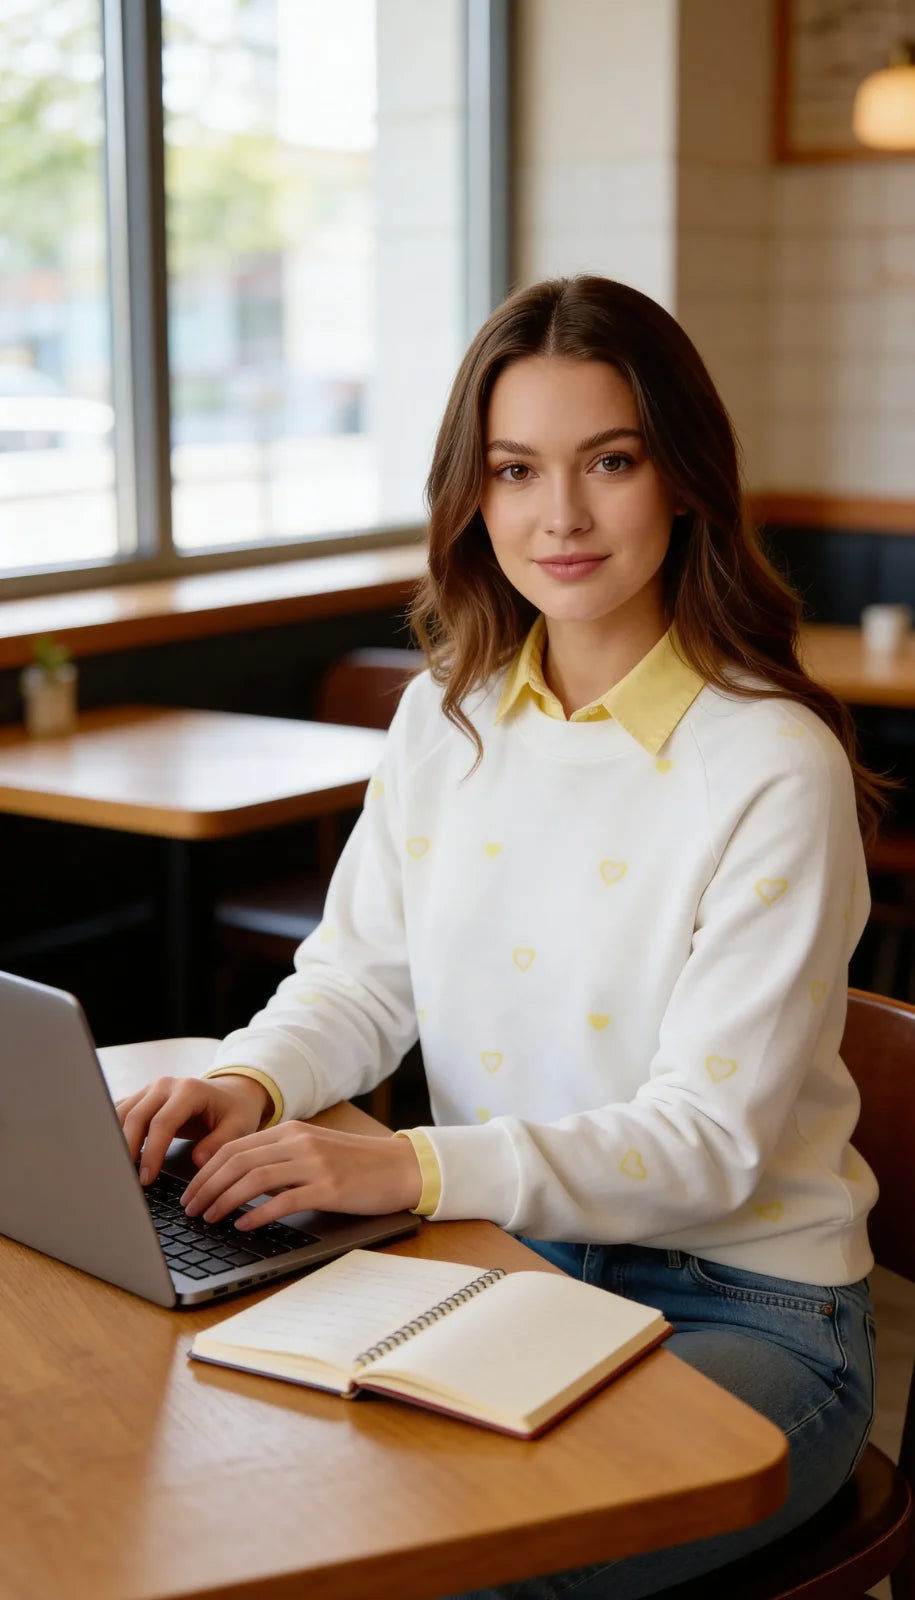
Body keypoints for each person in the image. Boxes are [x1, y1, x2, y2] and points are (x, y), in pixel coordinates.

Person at [117, 276, 886, 1600]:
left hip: (745, 1311)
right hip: (505, 1268)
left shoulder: (771, 763)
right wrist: (252, 1078)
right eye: (517, 469)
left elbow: (705, 1146)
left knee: (450, 1570)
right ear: (474, 494)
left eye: (612, 462)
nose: (562, 516)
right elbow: (359, 977)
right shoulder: (446, 716)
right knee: (252, 1495)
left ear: (686, 477)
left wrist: (403, 1169)